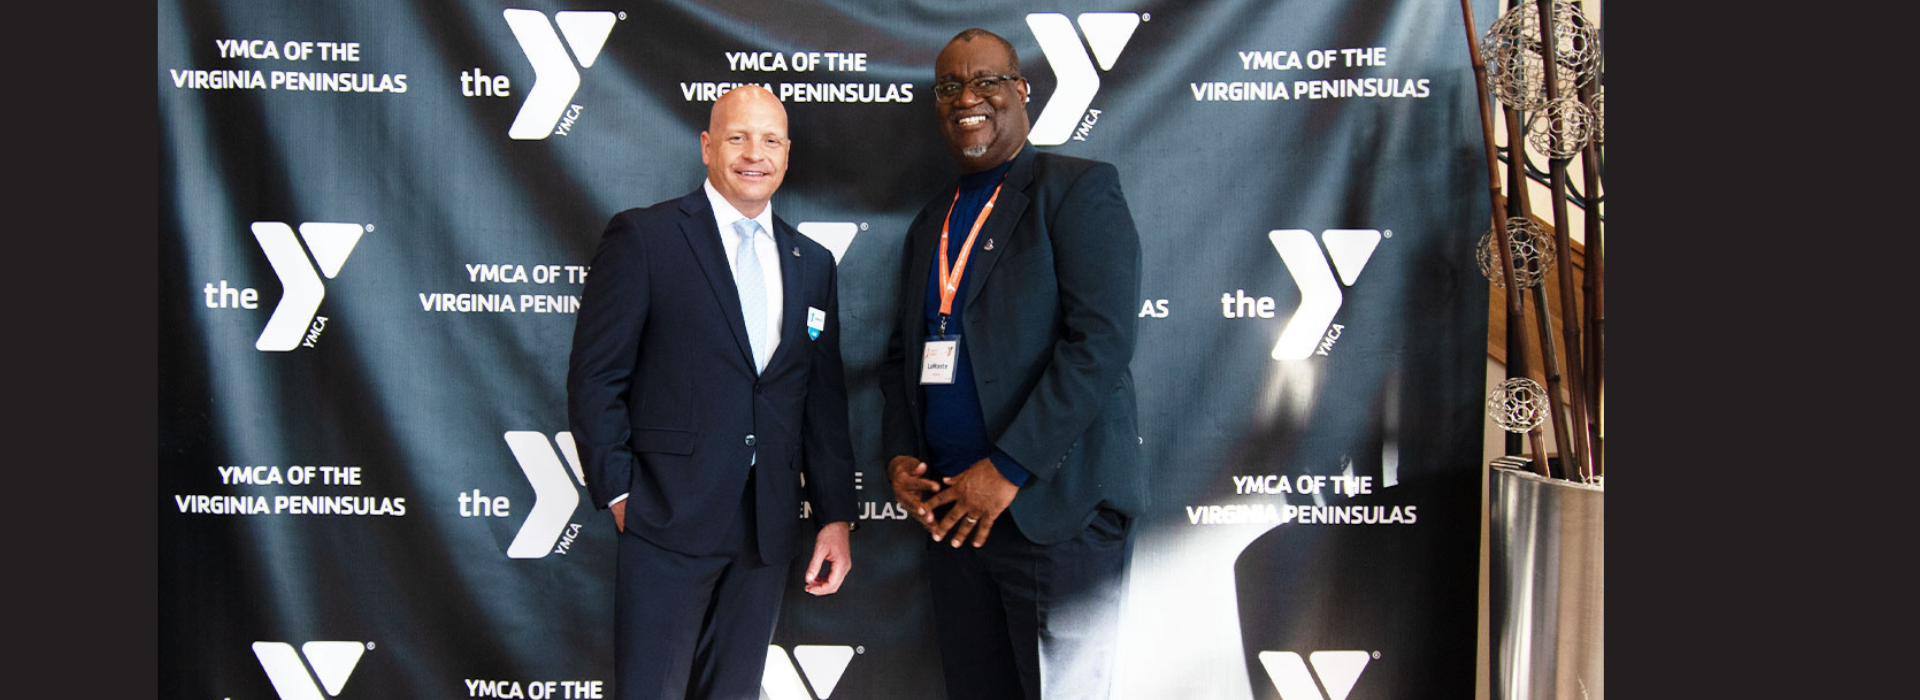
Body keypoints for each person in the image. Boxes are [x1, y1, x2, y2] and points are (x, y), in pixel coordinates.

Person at [879, 28, 1146, 700]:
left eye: (986, 81)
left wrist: (1007, 469)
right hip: (954, 520)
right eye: (950, 86)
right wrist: (902, 455)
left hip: (1054, 516)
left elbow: (1101, 343)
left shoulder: (1076, 189)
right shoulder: (930, 222)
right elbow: (904, 355)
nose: (967, 97)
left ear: (1021, 90)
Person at [567, 85, 855, 700]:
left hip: (766, 530)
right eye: (738, 137)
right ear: (706, 146)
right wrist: (620, 492)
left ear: (787, 153)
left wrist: (834, 516)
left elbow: (821, 401)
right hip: (666, 518)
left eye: (771, 140)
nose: (755, 154)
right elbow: (597, 377)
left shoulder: (813, 262)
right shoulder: (645, 237)